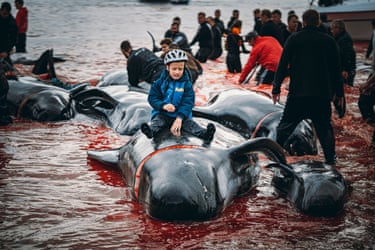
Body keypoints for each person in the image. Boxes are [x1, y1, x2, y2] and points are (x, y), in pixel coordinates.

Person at [272, 9, 344, 165]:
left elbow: (282, 64)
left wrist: (276, 88)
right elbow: (336, 70)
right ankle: (331, 160)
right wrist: (339, 93)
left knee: (284, 129)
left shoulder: (294, 39)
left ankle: (275, 159)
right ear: (318, 22)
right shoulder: (329, 41)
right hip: (321, 95)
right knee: (325, 129)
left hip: (298, 94)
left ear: (303, 22)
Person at [140, 49, 216, 144]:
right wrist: (163, 105)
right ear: (167, 67)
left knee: (191, 126)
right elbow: (152, 98)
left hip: (181, 115)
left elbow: (188, 102)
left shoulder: (186, 84)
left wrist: (180, 118)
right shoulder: (159, 82)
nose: (177, 72)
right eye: (174, 69)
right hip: (163, 114)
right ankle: (150, 131)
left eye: (180, 69)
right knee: (157, 122)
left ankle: (206, 134)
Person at [331, 19, 356, 86]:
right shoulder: (341, 38)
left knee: (345, 88)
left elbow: (349, 55)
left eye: (333, 29)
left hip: (346, 70)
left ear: (338, 29)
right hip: (346, 69)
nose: (332, 31)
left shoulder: (344, 39)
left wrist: (345, 69)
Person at [0, 1, 18, 66]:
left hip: (5, 46)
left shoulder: (12, 23)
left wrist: (7, 51)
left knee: (9, 68)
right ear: (0, 11)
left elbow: (14, 39)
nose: (5, 16)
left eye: (7, 14)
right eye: (4, 13)